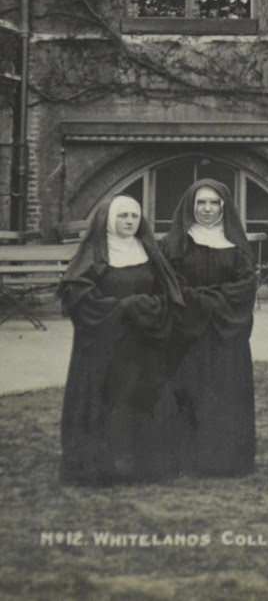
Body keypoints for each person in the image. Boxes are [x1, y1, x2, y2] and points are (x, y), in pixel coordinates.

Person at [59, 195, 184, 485]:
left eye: (134, 216)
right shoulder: (94, 254)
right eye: (122, 216)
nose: (129, 221)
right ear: (107, 220)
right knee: (108, 401)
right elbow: (78, 297)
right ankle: (105, 466)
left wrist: (148, 308)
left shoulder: (148, 251)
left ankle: (143, 465)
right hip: (105, 346)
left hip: (142, 344)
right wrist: (122, 308)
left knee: (140, 399)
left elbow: (166, 293)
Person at [161, 179, 258, 477]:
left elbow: (245, 286)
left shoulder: (236, 246)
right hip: (187, 334)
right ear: (191, 206)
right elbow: (170, 283)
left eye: (213, 203)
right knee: (187, 391)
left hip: (226, 334)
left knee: (225, 395)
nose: (206, 209)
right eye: (201, 203)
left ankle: (226, 460)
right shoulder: (174, 244)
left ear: (223, 206)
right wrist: (202, 302)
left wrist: (208, 301)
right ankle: (187, 458)